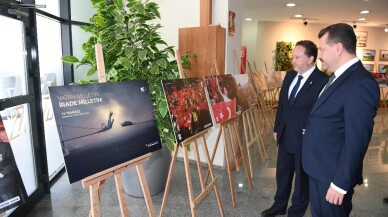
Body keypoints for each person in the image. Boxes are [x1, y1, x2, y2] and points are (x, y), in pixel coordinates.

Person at [302, 23, 380, 217]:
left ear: (338, 48)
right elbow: (333, 118)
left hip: (333, 176)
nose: (319, 55)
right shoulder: (337, 76)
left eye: (322, 49)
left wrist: (340, 183)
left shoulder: (361, 83)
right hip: (320, 167)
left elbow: (357, 140)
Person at [262, 40, 328, 217]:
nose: (293, 61)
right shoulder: (290, 76)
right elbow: (283, 105)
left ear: (311, 59)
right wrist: (277, 128)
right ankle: (279, 206)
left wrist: (313, 131)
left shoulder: (322, 81)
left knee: (302, 179)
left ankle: (296, 211)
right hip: (285, 134)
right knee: (283, 174)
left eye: (297, 57)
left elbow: (323, 112)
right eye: (293, 57)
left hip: (305, 138)